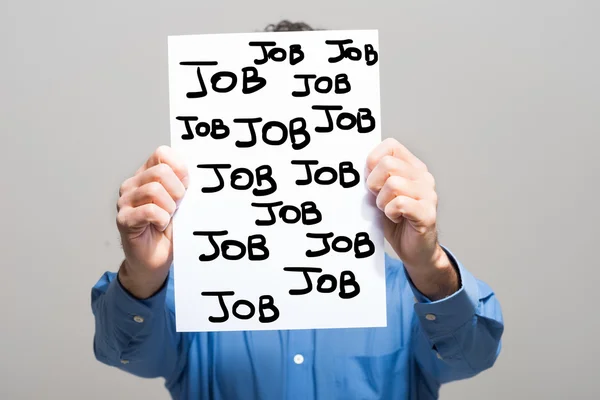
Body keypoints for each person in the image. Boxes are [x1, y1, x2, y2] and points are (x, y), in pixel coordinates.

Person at [91, 20, 504, 400]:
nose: (285, 159)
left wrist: (430, 264)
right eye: (261, 133)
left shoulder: (404, 294)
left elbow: (475, 353)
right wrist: (142, 276)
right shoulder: (190, 296)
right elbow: (122, 350)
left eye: (307, 133)